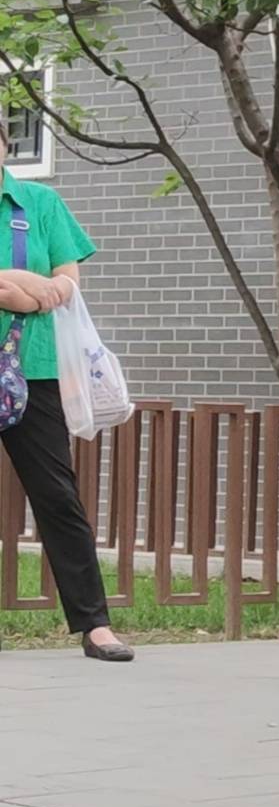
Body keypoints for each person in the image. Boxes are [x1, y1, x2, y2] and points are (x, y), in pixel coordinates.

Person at [0, 127, 133, 661]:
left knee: (57, 496)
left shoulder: (39, 202)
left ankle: (94, 624)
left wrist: (35, 294)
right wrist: (13, 280)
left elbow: (67, 277)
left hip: (34, 370)